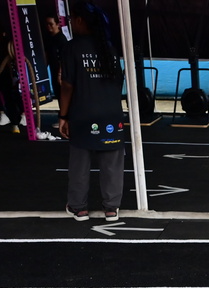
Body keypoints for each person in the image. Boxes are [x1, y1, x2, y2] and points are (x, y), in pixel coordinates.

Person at [59, 1, 125, 222]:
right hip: (110, 113)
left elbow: (67, 85)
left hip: (83, 113)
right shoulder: (110, 48)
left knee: (80, 162)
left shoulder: (72, 48)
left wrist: (63, 116)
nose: (71, 23)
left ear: (79, 20)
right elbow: (119, 82)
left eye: (71, 19)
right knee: (111, 162)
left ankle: (79, 208)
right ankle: (111, 208)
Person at [42, 15, 67, 93]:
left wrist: (60, 74)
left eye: (51, 24)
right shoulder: (48, 38)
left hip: (62, 71)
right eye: (47, 24)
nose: (48, 26)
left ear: (57, 24)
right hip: (53, 70)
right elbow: (47, 54)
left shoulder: (61, 39)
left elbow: (64, 58)